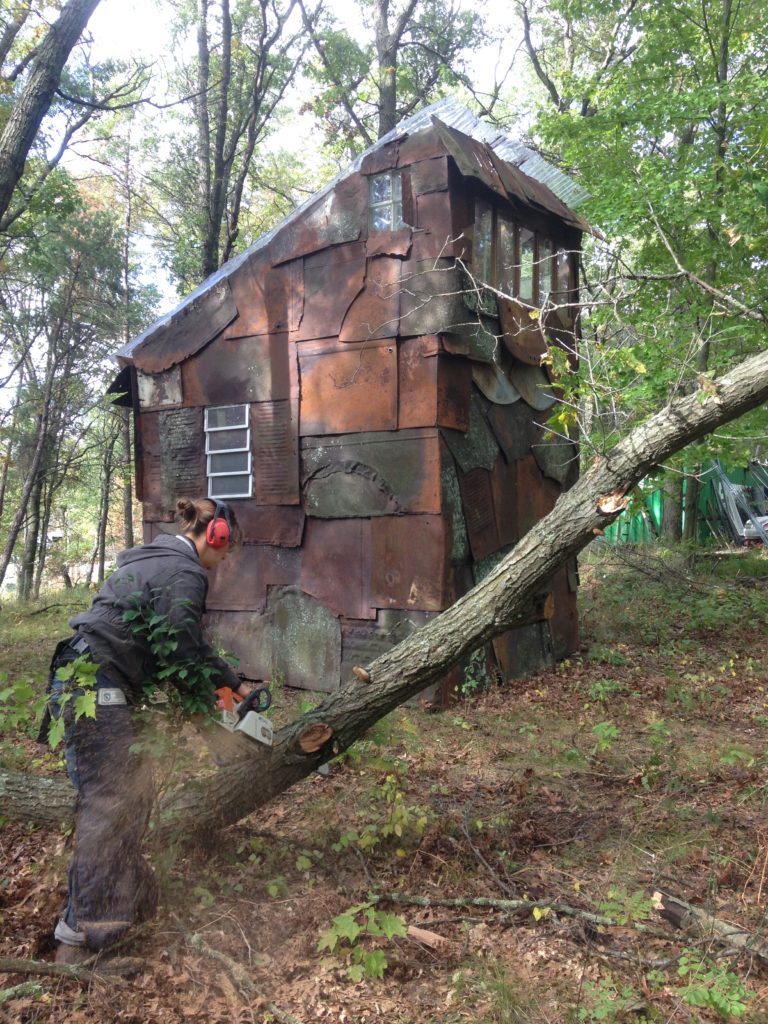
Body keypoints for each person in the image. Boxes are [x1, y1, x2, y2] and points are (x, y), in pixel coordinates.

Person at [45, 497, 251, 965]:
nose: (223, 559)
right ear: (215, 534)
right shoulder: (187, 572)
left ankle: (120, 913)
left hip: (88, 681)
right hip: (99, 687)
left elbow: (187, 643)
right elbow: (181, 651)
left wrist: (233, 688)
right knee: (111, 806)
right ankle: (76, 943)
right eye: (226, 548)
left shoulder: (155, 558)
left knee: (134, 796)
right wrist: (214, 722)